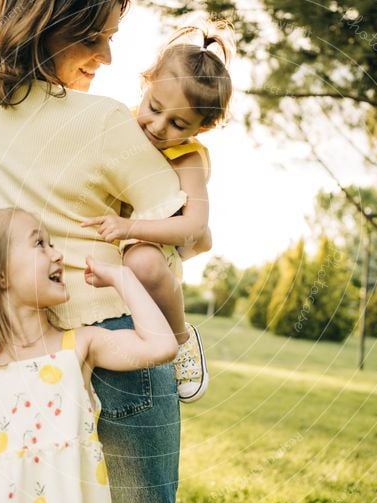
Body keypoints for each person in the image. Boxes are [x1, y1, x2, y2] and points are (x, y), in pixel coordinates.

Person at [0, 0, 188, 503]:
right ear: (47, 27)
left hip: (14, 354)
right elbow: (181, 226)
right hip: (119, 340)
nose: (106, 55)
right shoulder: (102, 120)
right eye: (92, 38)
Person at [0, 207, 178, 503]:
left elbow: (161, 346)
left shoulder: (78, 347)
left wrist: (123, 277)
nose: (58, 255)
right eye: (40, 244)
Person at [81, 22, 234, 404]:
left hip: (156, 238)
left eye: (179, 124)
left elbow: (194, 225)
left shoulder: (188, 158)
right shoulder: (122, 125)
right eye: (154, 108)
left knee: (144, 263)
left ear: (204, 127)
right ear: (145, 82)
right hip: (115, 237)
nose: (158, 126)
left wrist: (130, 226)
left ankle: (182, 340)